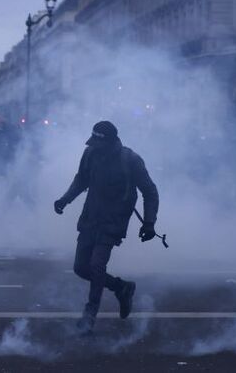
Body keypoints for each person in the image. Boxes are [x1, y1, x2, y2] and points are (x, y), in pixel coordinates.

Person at [54, 120, 159, 334]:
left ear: (111, 142)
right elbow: (81, 180)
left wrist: (149, 223)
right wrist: (65, 200)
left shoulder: (131, 160)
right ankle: (122, 288)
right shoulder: (90, 153)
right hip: (90, 218)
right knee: (80, 268)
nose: (94, 146)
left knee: (96, 266)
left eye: (98, 143)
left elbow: (150, 191)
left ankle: (89, 316)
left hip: (114, 221)